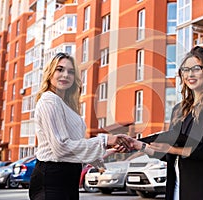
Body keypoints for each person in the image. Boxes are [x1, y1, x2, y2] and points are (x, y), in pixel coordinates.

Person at [133, 46, 203, 200]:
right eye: (185, 69)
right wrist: (137, 145)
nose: (190, 74)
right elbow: (168, 153)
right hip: (177, 190)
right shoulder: (179, 110)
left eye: (196, 68)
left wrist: (174, 148)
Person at [29, 52, 132, 200]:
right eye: (60, 69)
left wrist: (110, 148)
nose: (65, 75)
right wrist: (104, 140)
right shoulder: (49, 101)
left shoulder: (65, 105)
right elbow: (61, 148)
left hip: (66, 179)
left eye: (71, 72)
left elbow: (74, 149)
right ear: (49, 73)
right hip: (52, 180)